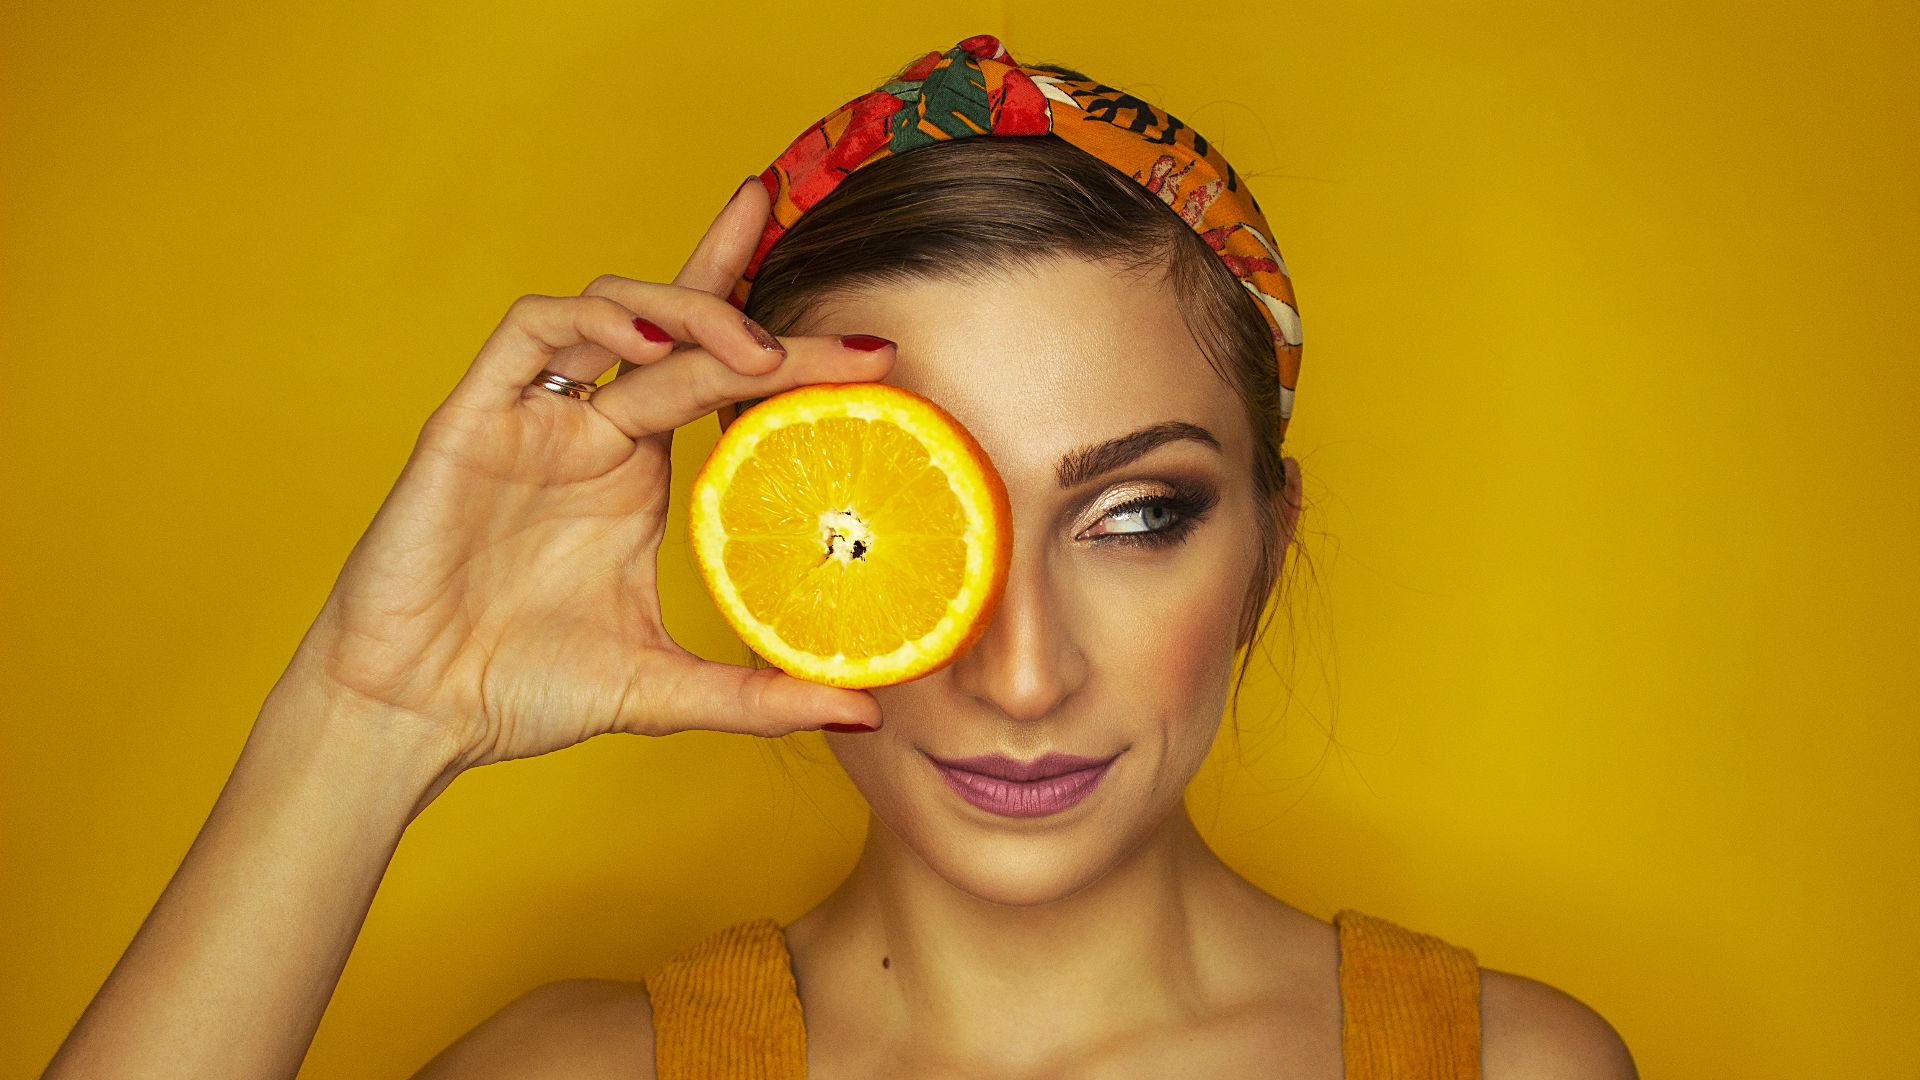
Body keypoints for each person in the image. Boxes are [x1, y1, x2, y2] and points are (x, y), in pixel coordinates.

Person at [42, 35, 1637, 1080]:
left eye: (1138, 515)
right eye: (907, 522)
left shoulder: (1504, 1065)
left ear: (1265, 553)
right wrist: (370, 713)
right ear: (766, 549)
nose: (1021, 671)